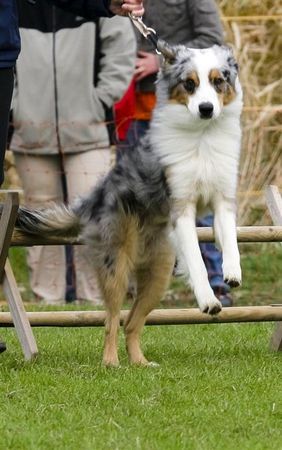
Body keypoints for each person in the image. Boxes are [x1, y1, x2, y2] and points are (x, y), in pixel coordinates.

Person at [0, 0, 143, 351]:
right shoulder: (18, 10)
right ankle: (45, 300)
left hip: (88, 130)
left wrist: (101, 100)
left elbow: (121, 48)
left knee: (95, 220)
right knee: (36, 218)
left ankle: (96, 301)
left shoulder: (89, 3)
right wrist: (16, 107)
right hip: (31, 133)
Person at [119, 0, 233, 307]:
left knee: (197, 198)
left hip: (181, 113)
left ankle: (216, 282)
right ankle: (136, 284)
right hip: (131, 110)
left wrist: (163, 61)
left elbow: (212, 38)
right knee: (138, 203)